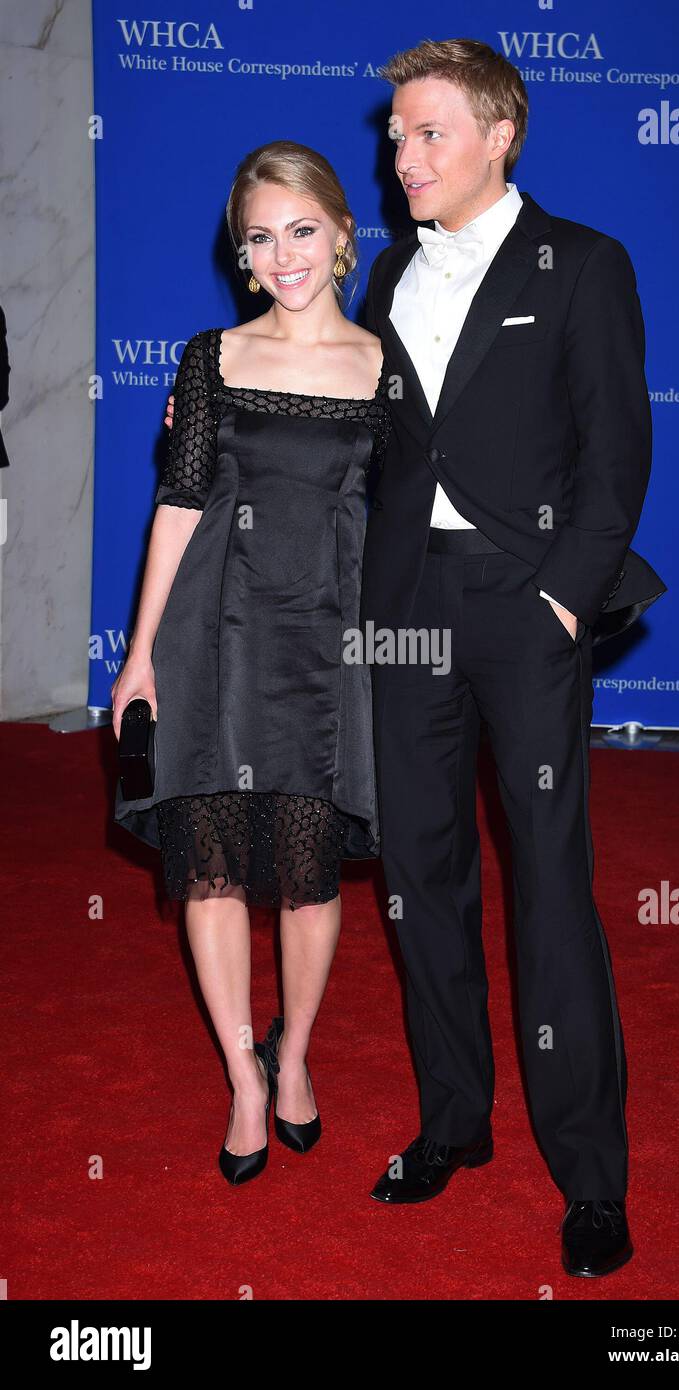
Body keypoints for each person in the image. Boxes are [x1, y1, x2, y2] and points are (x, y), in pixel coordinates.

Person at [360, 39, 666, 1276]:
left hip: (522, 601)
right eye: (394, 136)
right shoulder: (385, 272)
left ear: (498, 136)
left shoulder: (583, 264)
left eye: (428, 133)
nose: (402, 155)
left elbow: (617, 455)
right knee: (419, 874)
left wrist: (557, 601)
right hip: (405, 606)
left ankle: (590, 1173)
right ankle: (453, 1121)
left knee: (549, 883)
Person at [112, 141, 390, 1186]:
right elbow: (178, 507)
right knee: (216, 862)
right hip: (213, 632)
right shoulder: (209, 357)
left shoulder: (382, 363)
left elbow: (421, 512)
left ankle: (297, 1056)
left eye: (302, 230)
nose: (284, 256)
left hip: (329, 633)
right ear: (240, 253)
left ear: (340, 231)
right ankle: (241, 1074)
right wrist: (139, 657)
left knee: (310, 876)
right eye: (260, 238)